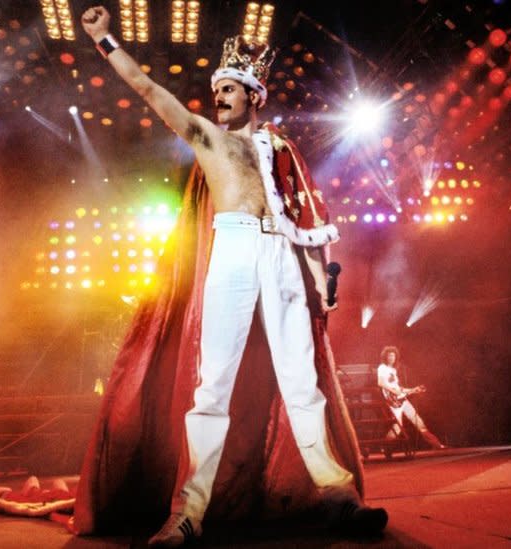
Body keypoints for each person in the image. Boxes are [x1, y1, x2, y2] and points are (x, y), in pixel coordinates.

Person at [74, 6, 387, 547]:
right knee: (212, 384)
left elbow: (305, 216)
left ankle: (339, 498)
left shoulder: (282, 149)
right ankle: (188, 512)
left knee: (301, 380)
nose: (217, 95)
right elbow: (149, 89)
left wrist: (320, 281)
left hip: (283, 254)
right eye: (215, 88)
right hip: (235, 247)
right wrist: (105, 40)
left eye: (228, 88)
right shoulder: (205, 137)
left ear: (254, 95)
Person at [376, 346, 445, 450]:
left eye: (393, 356)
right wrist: (393, 391)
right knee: (397, 428)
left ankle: (437, 445)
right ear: (385, 357)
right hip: (393, 401)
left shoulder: (393, 370)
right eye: (389, 355)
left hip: (401, 399)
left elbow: (399, 388)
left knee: (418, 421)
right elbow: (380, 383)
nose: (391, 358)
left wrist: (413, 389)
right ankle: (384, 448)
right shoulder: (382, 368)